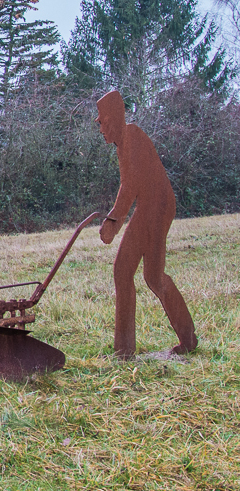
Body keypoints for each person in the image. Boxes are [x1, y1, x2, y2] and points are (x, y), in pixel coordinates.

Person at [96, 90, 198, 359]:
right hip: (150, 206)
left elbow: (132, 186)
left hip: (158, 206)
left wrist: (113, 222)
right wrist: (114, 219)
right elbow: (128, 186)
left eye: (103, 121)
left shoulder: (134, 137)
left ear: (115, 118)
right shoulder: (123, 144)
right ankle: (129, 348)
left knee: (129, 271)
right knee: (145, 275)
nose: (101, 128)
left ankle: (125, 350)